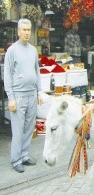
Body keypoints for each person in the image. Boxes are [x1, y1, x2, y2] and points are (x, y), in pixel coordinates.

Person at [4, 18, 43, 173]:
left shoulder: (33, 50)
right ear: (18, 31)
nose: (27, 33)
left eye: (29, 30)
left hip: (32, 95)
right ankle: (16, 160)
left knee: (28, 127)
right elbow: (7, 75)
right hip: (18, 96)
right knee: (18, 129)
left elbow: (37, 72)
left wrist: (39, 91)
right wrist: (11, 98)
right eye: (24, 30)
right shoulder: (12, 51)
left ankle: (25, 155)